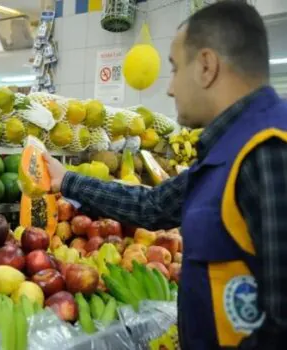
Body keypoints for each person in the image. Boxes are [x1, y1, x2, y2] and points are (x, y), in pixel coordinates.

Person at [45, 1, 287, 349]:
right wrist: (66, 180)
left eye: (174, 69)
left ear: (206, 66)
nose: (170, 88)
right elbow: (154, 205)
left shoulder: (269, 151)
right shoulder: (225, 151)